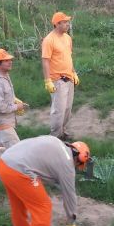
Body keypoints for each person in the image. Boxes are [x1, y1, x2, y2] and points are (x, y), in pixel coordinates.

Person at [0, 135, 90, 226]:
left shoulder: (57, 143)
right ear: (79, 159)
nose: (76, 168)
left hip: (4, 164)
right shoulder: (67, 165)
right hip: (19, 170)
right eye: (79, 165)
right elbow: (70, 196)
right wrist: (71, 222)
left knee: (18, 203)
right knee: (43, 206)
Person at [0, 48, 29, 179]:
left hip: (5, 121)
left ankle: (0, 182)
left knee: (1, 152)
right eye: (6, 60)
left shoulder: (4, 74)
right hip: (2, 123)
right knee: (18, 152)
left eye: (10, 60)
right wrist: (17, 106)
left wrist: (15, 101)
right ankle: (25, 180)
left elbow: (6, 97)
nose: (10, 62)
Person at [41, 11, 79, 141]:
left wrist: (74, 72)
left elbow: (69, 56)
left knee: (67, 109)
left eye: (68, 22)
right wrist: (48, 81)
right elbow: (45, 61)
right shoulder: (49, 40)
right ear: (57, 24)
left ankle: (63, 131)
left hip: (69, 78)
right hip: (57, 80)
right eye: (65, 22)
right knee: (59, 110)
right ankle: (55, 137)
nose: (68, 24)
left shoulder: (67, 38)